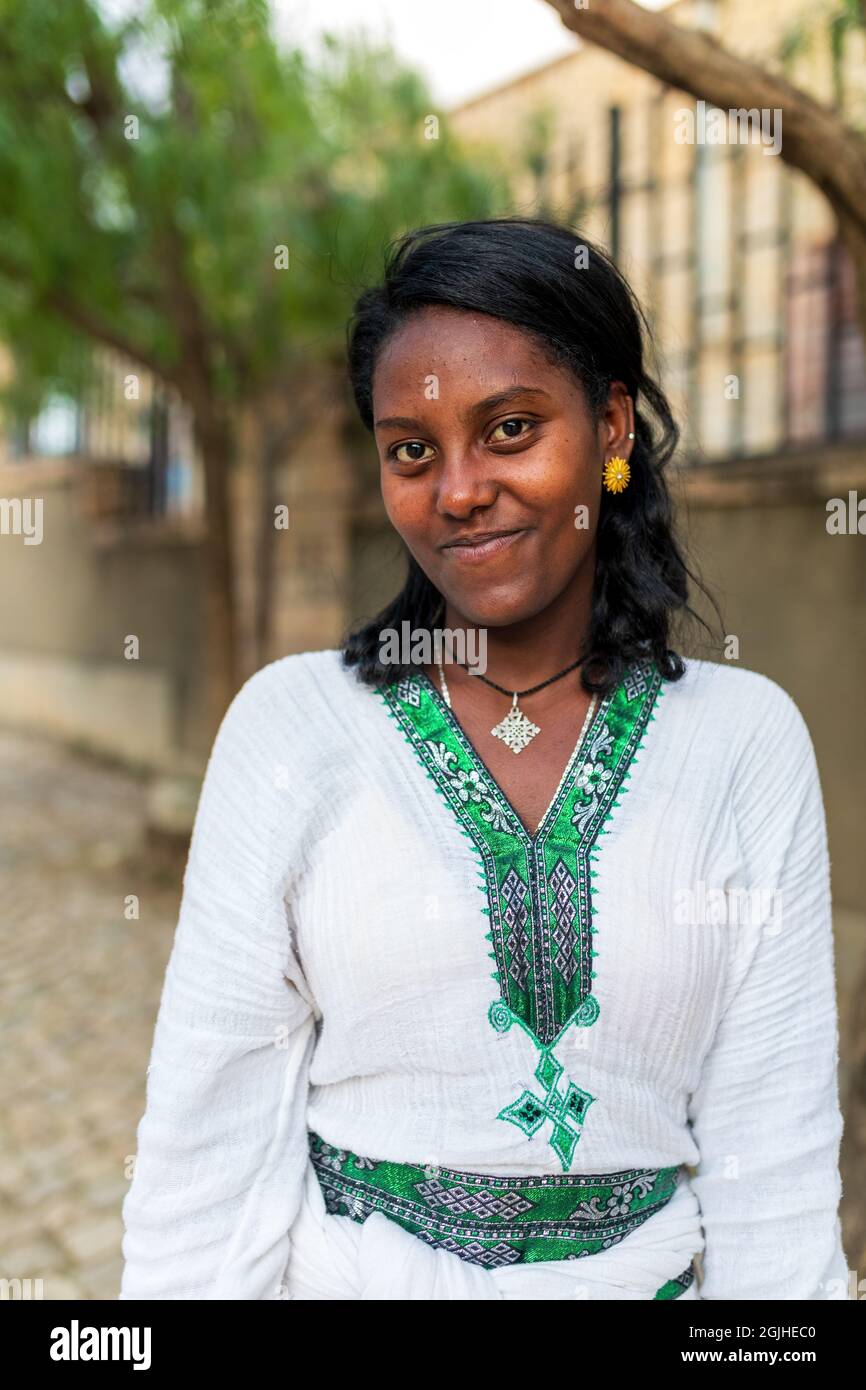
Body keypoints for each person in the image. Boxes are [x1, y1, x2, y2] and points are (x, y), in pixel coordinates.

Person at [119, 218, 849, 1300]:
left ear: (607, 428)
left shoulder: (741, 745)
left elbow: (770, 1161)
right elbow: (207, 1135)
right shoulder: (296, 728)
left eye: (508, 429)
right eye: (411, 449)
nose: (456, 489)